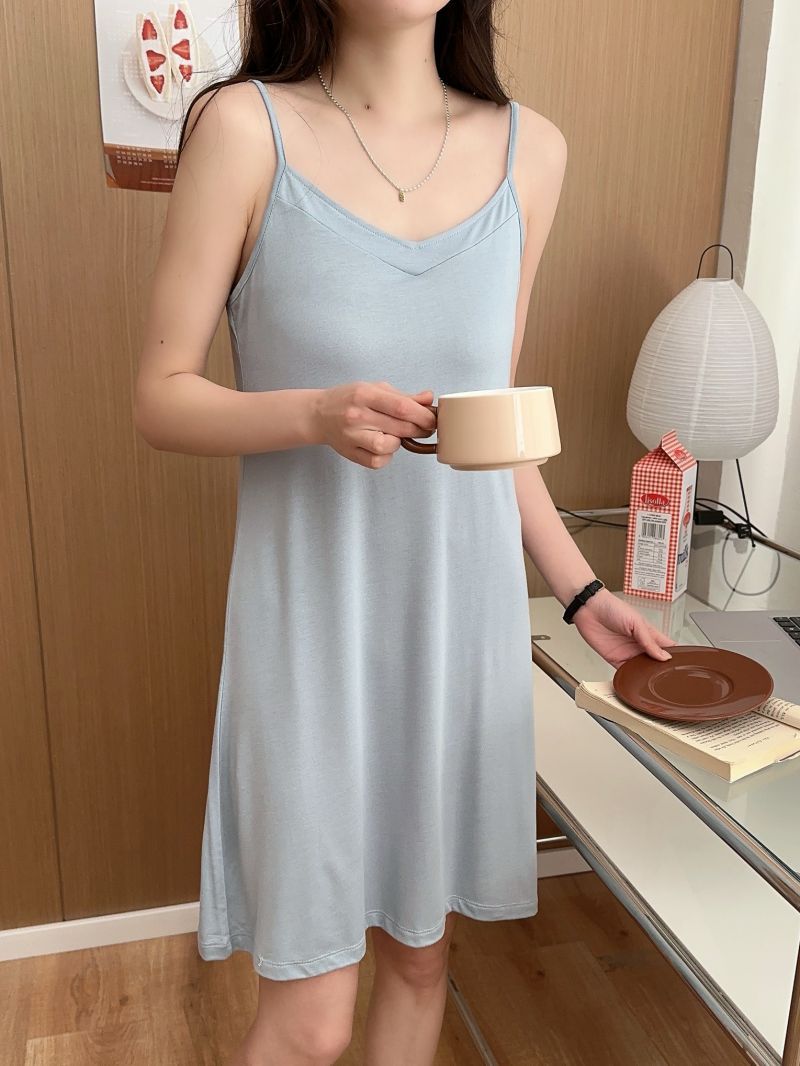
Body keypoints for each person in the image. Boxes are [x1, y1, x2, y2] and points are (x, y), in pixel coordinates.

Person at [133, 1, 677, 1063]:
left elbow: (492, 426)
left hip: (453, 631)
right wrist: (312, 414)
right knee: (309, 1020)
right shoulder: (243, 129)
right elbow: (159, 397)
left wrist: (579, 593)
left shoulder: (532, 153)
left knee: (423, 964)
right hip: (310, 638)